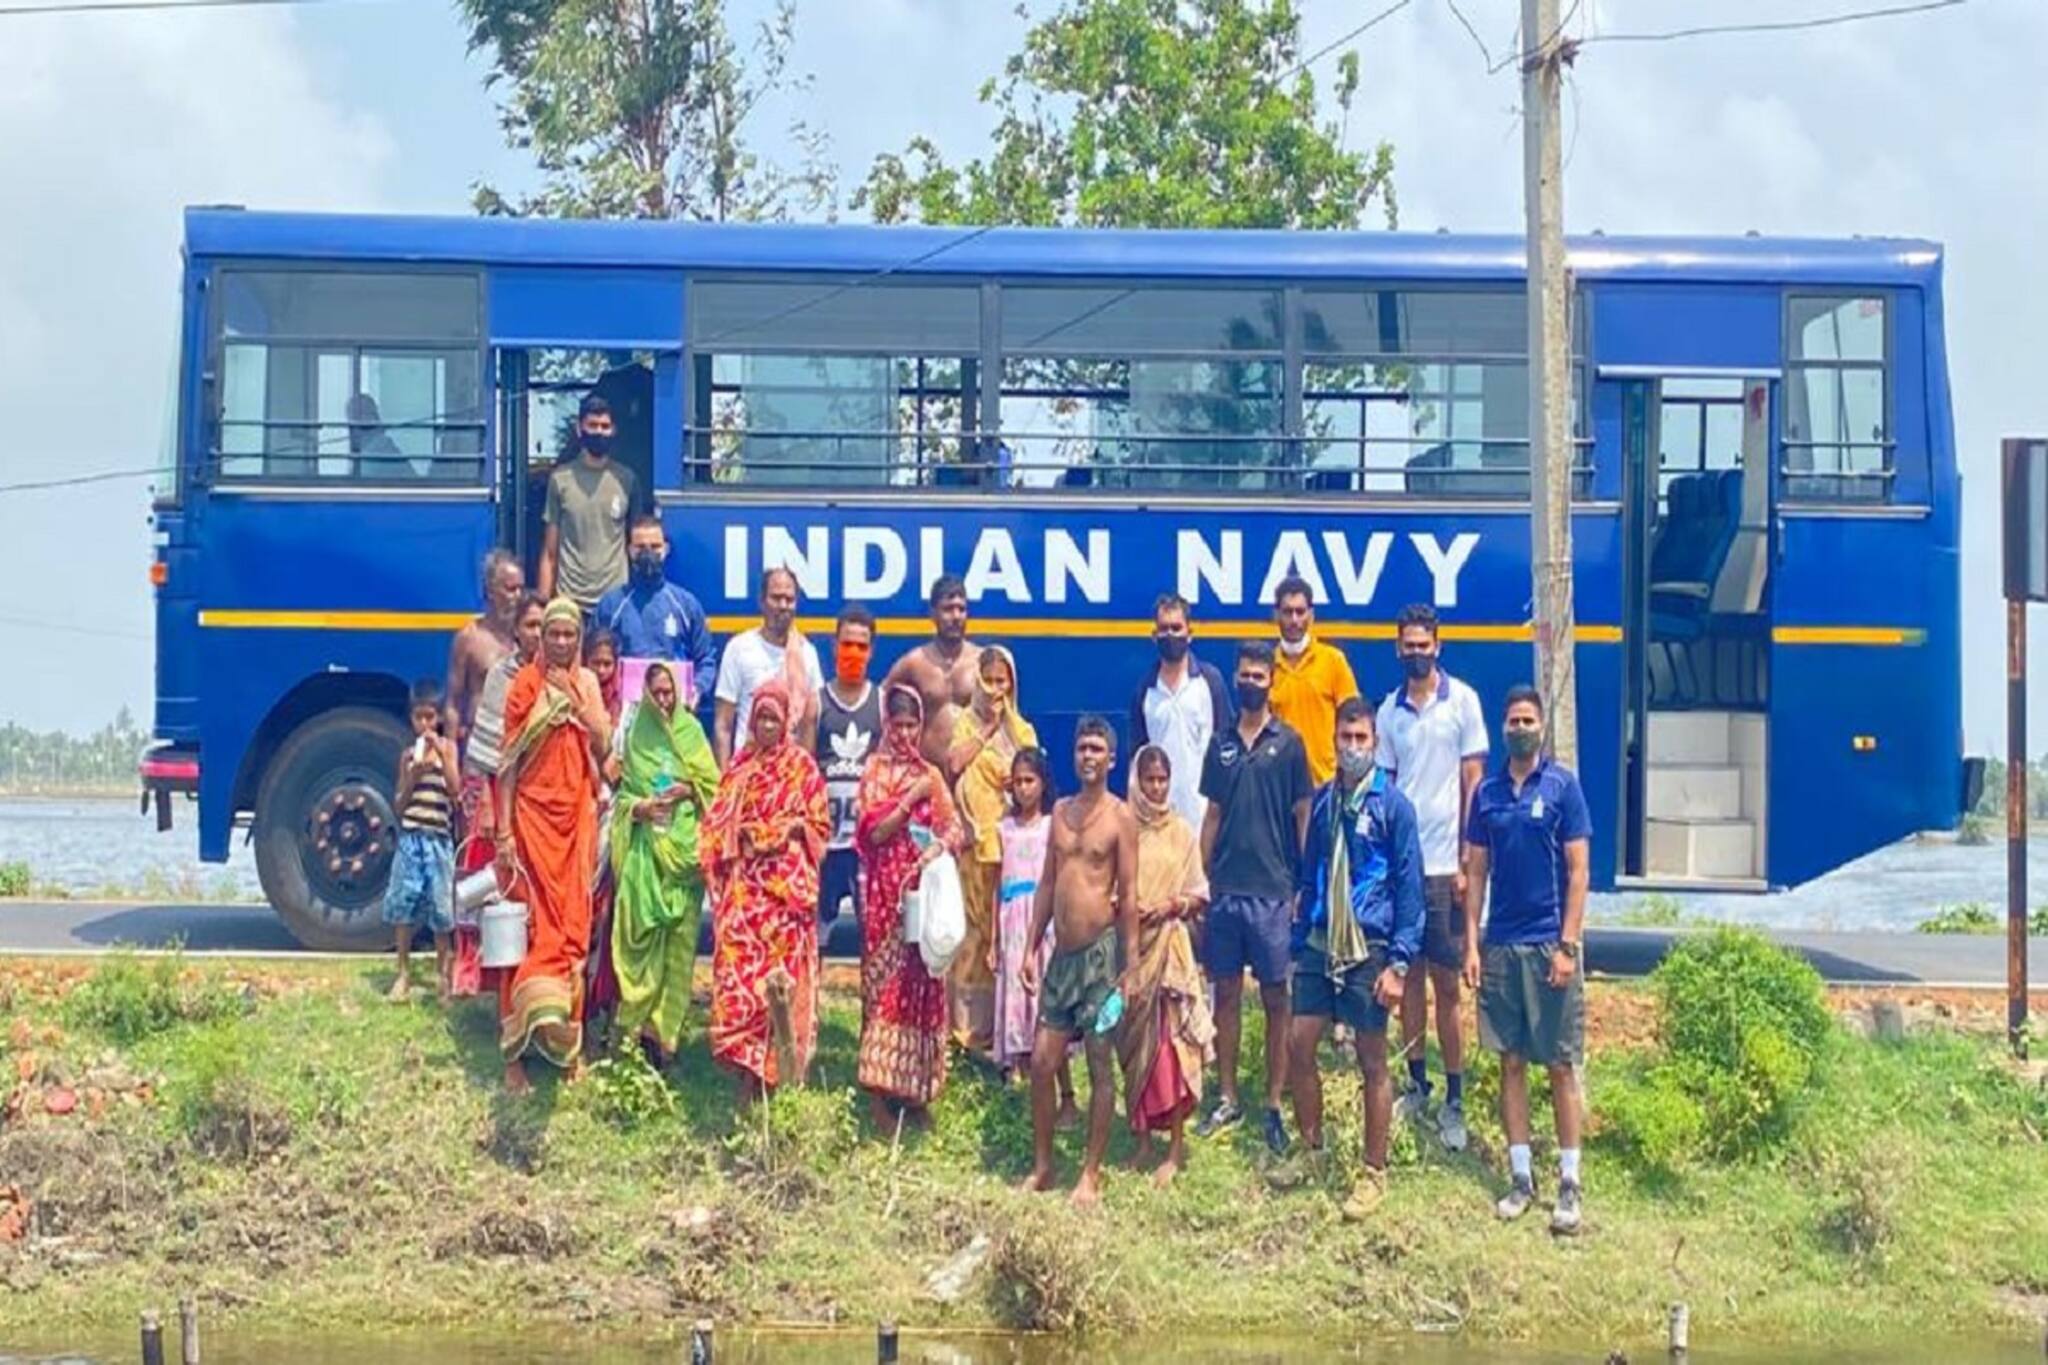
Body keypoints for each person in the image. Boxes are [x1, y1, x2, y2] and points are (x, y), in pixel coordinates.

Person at [1281, 699, 1424, 1219]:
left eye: (1362, 739)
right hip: (1322, 938)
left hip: (1371, 945)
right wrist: (1300, 940)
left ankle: (1372, 1172)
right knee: (1298, 1045)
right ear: (1335, 741)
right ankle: (1312, 1151)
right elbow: (1309, 873)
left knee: (1371, 1059)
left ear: (1375, 744)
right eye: (1346, 737)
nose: (1353, 747)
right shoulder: (1323, 803)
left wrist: (1400, 963)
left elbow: (1410, 890)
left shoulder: (1394, 807)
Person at [1462, 685, 1592, 1235]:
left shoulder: (1563, 788)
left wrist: (1567, 946)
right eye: (1512, 720)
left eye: (1527, 720)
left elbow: (1580, 872)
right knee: (1509, 1061)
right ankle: (1520, 1178)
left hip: (1547, 946)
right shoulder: (1487, 794)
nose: (1519, 727)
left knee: (1559, 1064)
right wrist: (1471, 943)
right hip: (1502, 945)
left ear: (1541, 727)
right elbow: (1476, 874)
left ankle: (1568, 1181)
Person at [1375, 602, 1490, 1150]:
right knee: (1409, 980)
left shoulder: (1462, 701)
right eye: (1408, 643)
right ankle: (1417, 1084)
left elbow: (1474, 783)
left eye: (1424, 643)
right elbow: (1386, 789)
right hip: (1404, 873)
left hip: (1448, 867)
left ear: (1437, 645)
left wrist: (1469, 858)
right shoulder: (1388, 712)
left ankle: (1455, 1097)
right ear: (1399, 648)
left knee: (1448, 986)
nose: (1416, 651)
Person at [1196, 640, 1313, 1155]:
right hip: (1225, 891)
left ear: (1270, 681)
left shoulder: (1289, 744)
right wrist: (1200, 878)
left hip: (1272, 892)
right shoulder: (1220, 743)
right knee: (1224, 997)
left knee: (1275, 1000)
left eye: (1258, 676)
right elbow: (1213, 816)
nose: (1250, 683)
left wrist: (1302, 883)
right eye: (1243, 675)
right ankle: (1226, 1097)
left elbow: (1303, 814)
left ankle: (1271, 1103)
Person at [1019, 717, 1139, 1206]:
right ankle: (1044, 1164)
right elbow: (1048, 883)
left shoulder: (1120, 818)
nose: (1088, 756)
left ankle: (1090, 1173)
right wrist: (1029, 946)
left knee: (1099, 1060)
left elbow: (1129, 895)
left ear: (1111, 759)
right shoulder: (1060, 814)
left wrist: (1130, 965)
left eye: (1097, 749)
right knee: (1044, 1061)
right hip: (1061, 961)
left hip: (1102, 962)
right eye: (1081, 748)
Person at [494, 597, 612, 1093]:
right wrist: (502, 835)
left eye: (569, 635)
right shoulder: (523, 687)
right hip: (530, 825)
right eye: (553, 634)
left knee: (572, 933)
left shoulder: (586, 683)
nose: (561, 642)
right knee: (524, 934)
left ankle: (567, 1050)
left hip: (576, 827)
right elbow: (506, 768)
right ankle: (514, 1058)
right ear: (540, 638)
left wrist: (581, 705)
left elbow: (604, 746)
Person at [704, 680, 832, 1101]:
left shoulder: (802, 769)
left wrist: (790, 829)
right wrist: (740, 836)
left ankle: (777, 1072)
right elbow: (714, 828)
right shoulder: (739, 770)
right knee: (738, 979)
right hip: (745, 897)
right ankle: (748, 1072)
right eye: (761, 717)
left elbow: (819, 829)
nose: (767, 726)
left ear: (787, 722)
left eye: (775, 718)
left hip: (784, 899)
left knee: (780, 983)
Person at [854, 684, 966, 1128]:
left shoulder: (933, 775)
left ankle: (917, 1094)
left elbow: (957, 829)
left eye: (911, 725)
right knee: (882, 991)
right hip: (886, 900)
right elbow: (873, 833)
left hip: (925, 898)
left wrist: (939, 847)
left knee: (922, 988)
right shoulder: (875, 772)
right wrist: (909, 800)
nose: (904, 733)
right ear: (885, 725)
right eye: (896, 725)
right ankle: (880, 1097)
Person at [607, 660, 720, 1069]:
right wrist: (640, 807)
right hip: (645, 856)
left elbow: (714, 787)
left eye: (669, 691)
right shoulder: (636, 736)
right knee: (640, 941)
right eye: (655, 691)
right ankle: (632, 1034)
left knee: (679, 949)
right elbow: (618, 799)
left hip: (684, 859)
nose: (663, 699)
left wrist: (687, 789)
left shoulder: (691, 732)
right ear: (644, 693)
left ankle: (664, 1040)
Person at [1119, 744, 1214, 1189]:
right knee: (1133, 1047)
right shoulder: (1121, 828)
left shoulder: (1181, 832)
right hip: (1132, 953)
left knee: (1170, 1051)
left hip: (1170, 954)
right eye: (1149, 779)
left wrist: (1172, 905)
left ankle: (1174, 1147)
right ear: (1138, 780)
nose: (1156, 788)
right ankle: (1141, 1139)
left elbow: (1199, 893)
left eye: (1162, 780)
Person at [446, 558, 532, 997]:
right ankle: (466, 960)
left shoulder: (525, 642)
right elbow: (454, 700)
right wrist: (452, 758)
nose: (515, 596)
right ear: (489, 589)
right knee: (473, 858)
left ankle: (503, 957)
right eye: (508, 588)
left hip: (517, 768)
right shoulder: (470, 638)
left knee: (509, 860)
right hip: (478, 762)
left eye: (520, 588)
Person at [946, 645, 1037, 1057]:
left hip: (1013, 851)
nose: (997, 690)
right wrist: (986, 731)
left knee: (1007, 937)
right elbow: (954, 764)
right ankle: (967, 1034)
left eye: (1004, 682)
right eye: (990, 680)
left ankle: (1007, 1032)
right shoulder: (965, 723)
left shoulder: (1023, 731)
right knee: (973, 936)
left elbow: (1032, 777)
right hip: (973, 848)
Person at [1127, 593, 1234, 832]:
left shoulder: (1210, 683)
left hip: (1205, 821)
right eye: (1164, 629)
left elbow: (1229, 750)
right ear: (1154, 636)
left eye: (1176, 628)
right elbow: (1136, 759)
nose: (1170, 635)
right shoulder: (1145, 690)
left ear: (1190, 633)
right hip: (1157, 823)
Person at [593, 515, 719, 715]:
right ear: (629, 550)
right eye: (640, 548)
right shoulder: (610, 606)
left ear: (666, 549)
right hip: (625, 715)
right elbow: (592, 659)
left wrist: (696, 691)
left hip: (673, 713)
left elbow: (706, 660)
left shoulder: (686, 605)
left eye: (655, 546)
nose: (648, 553)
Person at [383, 678, 460, 1004]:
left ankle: (443, 974)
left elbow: (455, 792)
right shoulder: (406, 756)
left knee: (441, 910)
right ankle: (403, 972)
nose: (425, 724)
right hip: (411, 839)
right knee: (403, 904)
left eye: (431, 717)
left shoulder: (449, 750)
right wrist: (413, 774)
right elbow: (399, 805)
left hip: (438, 841)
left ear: (440, 718)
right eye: (419, 718)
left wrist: (442, 760)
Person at [539, 394, 642, 612]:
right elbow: (549, 553)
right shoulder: (560, 479)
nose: (598, 432)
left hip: (616, 601)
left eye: (605, 426)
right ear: (579, 429)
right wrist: (543, 608)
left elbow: (636, 546)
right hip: (570, 600)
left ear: (614, 430)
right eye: (592, 425)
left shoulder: (627, 480)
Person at [815, 605, 882, 932]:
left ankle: (872, 988)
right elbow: (802, 768)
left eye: (861, 646)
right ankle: (811, 986)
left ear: (871, 651)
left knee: (872, 934)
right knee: (816, 937)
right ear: (834, 646)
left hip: (865, 846)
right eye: (847, 645)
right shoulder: (818, 703)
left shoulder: (881, 703)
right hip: (826, 847)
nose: (853, 653)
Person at [713, 567, 823, 767]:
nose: (783, 605)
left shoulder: (807, 653)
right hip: (746, 772)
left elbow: (809, 724)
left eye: (789, 599)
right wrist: (725, 783)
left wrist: (802, 776)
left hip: (788, 775)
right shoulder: (739, 648)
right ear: (762, 602)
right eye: (776, 598)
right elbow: (723, 725)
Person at [1267, 575, 1360, 787]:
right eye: (1287, 612)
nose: (1294, 620)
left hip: (1327, 787)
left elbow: (1354, 721)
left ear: (1311, 614)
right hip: (1280, 790)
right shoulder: (1267, 667)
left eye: (1300, 612)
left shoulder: (1333, 661)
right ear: (1276, 615)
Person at [883, 575, 983, 766]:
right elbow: (880, 703)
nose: (956, 617)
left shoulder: (981, 662)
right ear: (933, 614)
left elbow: (1004, 719)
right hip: (927, 776)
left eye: (961, 609)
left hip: (973, 778)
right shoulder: (915, 663)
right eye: (948, 609)